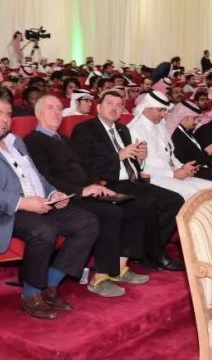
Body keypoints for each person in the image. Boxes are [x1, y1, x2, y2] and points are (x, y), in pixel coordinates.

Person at [0, 91, 99, 319]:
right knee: (43, 229)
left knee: (87, 222)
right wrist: (22, 203)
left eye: (8, 114)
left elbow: (36, 176)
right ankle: (30, 294)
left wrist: (53, 192)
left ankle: (50, 284)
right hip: (3, 210)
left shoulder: (16, 141)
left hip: (38, 203)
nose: (4, 119)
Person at [24, 94, 152, 298]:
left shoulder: (64, 140)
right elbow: (43, 178)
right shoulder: (33, 141)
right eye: (50, 108)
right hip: (65, 196)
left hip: (84, 189)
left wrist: (97, 185)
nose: (57, 112)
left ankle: (119, 269)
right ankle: (100, 278)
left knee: (132, 205)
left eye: (59, 108)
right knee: (110, 213)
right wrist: (80, 191)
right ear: (38, 113)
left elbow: (83, 169)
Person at [70, 90, 185, 271]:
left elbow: (132, 164)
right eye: (109, 104)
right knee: (146, 201)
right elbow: (85, 165)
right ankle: (155, 253)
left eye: (119, 105)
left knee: (176, 200)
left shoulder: (123, 130)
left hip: (132, 181)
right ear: (98, 107)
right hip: (108, 183)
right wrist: (118, 156)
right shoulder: (84, 129)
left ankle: (149, 249)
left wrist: (140, 158)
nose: (114, 108)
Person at [127, 90, 212, 200]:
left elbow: (170, 155)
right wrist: (172, 174)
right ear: (147, 108)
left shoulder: (160, 125)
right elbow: (140, 168)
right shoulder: (135, 130)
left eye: (165, 110)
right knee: (193, 192)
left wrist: (183, 167)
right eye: (160, 110)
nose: (163, 114)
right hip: (153, 178)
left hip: (172, 173)